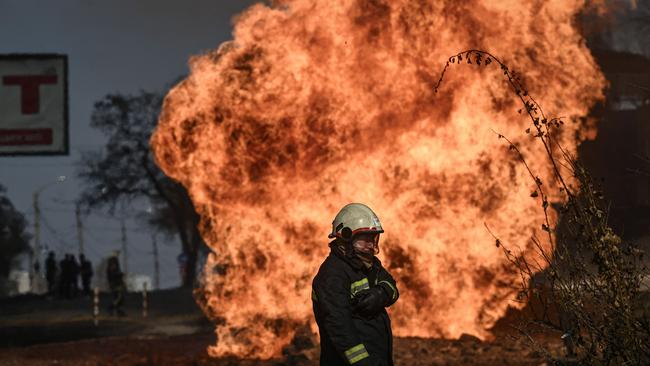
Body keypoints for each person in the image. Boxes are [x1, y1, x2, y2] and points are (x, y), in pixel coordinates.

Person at [312, 203, 399, 366]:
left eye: (372, 238)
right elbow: (340, 328)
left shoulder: (368, 264)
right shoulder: (332, 275)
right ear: (345, 237)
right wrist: (362, 362)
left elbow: (392, 286)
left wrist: (380, 294)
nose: (371, 245)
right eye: (364, 238)